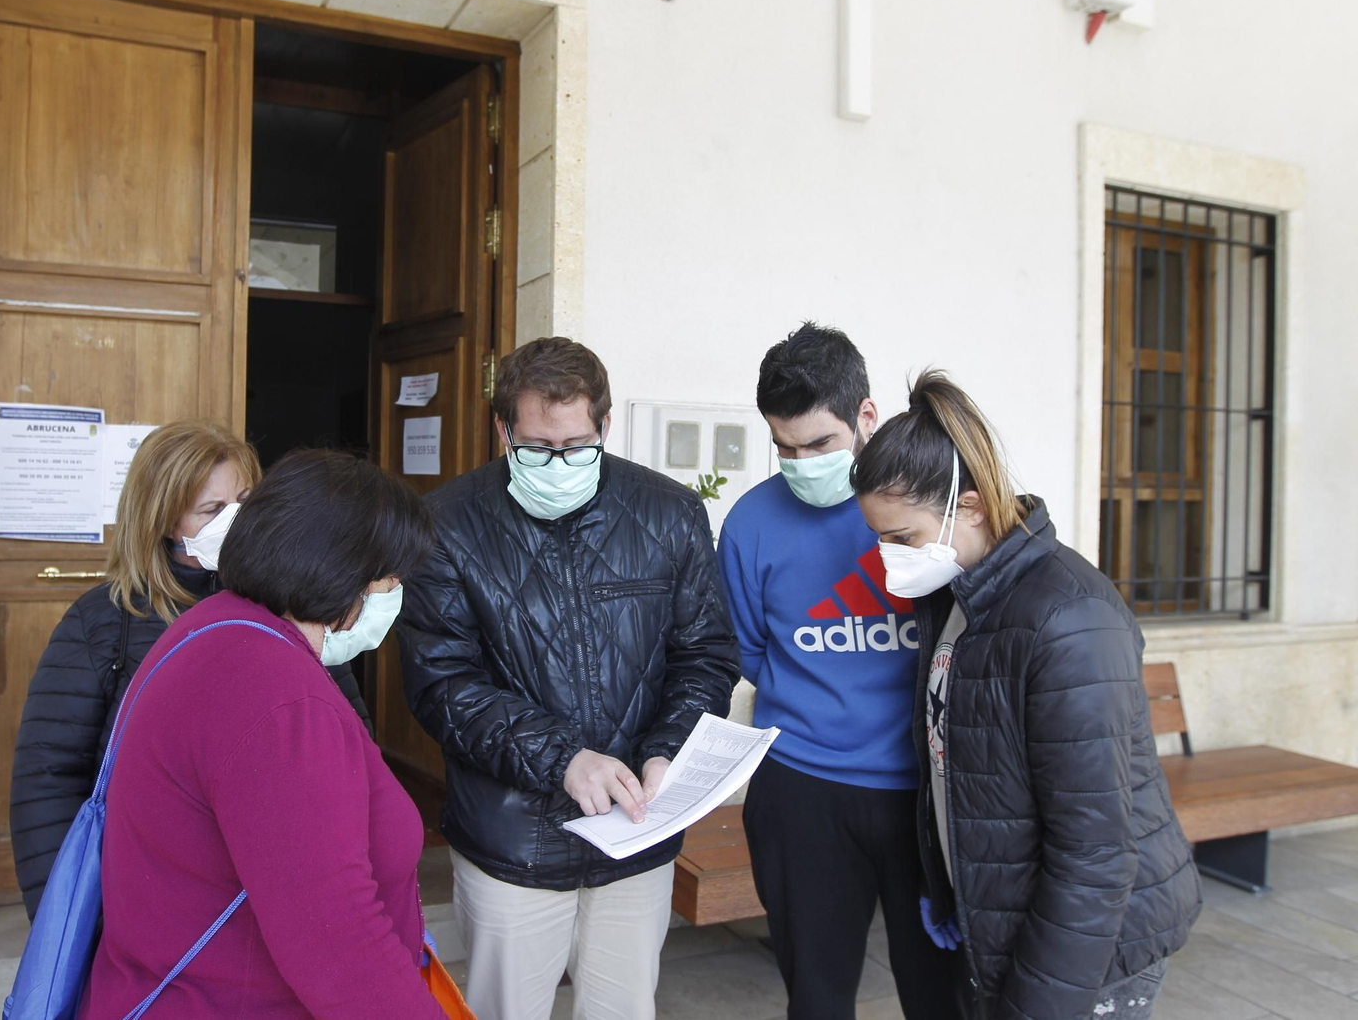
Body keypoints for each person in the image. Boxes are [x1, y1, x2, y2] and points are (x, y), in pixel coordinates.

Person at [398, 337, 742, 1020]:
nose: (558, 464)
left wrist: (664, 750)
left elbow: (704, 654)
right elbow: (443, 685)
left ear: (605, 427)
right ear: (503, 430)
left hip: (634, 835)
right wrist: (562, 758)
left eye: (577, 446)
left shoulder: (667, 513)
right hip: (511, 843)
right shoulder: (446, 525)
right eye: (535, 447)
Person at [851, 370, 1201, 1020]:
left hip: (1087, 952)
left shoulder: (1069, 619)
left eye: (901, 537)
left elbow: (1094, 855)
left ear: (973, 507)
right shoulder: (956, 594)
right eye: (878, 537)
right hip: (1006, 919)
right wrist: (946, 881)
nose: (886, 557)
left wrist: (1038, 1004)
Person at [80, 450, 448, 1018]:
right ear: (342, 569)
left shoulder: (220, 628)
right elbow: (337, 940)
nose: (394, 591)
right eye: (389, 575)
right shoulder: (277, 694)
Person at [9, 421, 373, 919]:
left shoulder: (291, 606)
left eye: (246, 500)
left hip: (276, 892)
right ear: (163, 520)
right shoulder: (104, 621)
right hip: (149, 902)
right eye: (213, 510)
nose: (237, 520)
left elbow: (353, 739)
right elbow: (47, 779)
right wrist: (65, 922)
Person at [716, 323, 960, 1019]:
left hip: (924, 795)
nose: (802, 462)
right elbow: (752, 652)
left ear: (867, 417)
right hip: (802, 791)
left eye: (820, 444)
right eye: (784, 448)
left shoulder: (919, 509)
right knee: (817, 998)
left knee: (940, 995)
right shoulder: (750, 525)